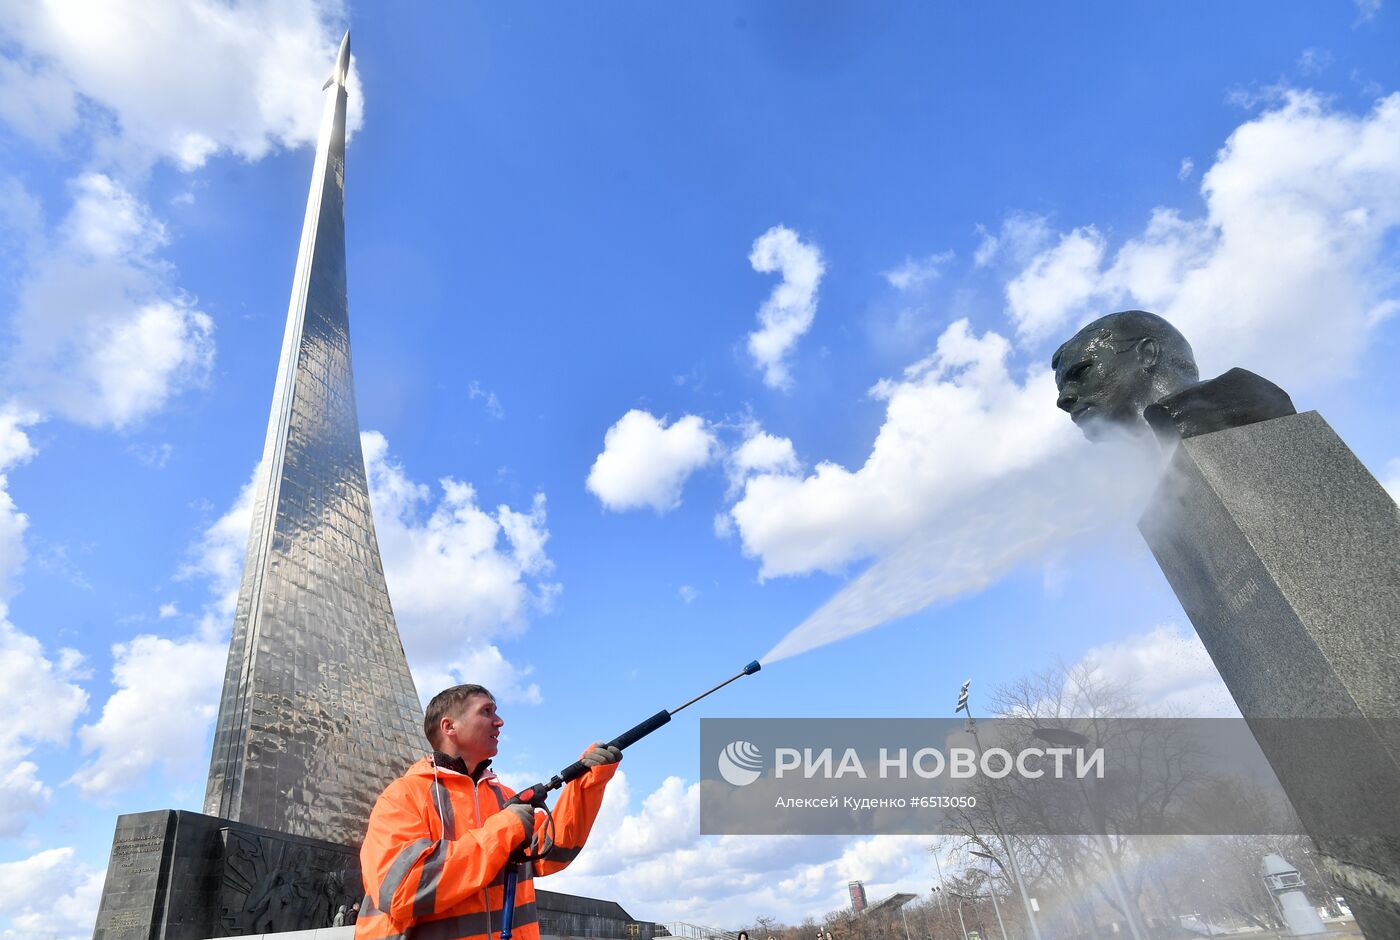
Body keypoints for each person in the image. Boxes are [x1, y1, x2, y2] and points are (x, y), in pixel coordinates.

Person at [355, 683, 620, 939]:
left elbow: (552, 853)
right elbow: (401, 889)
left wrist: (586, 783)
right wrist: (504, 830)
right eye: (487, 711)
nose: (500, 721)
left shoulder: (504, 798)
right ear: (449, 726)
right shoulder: (401, 797)